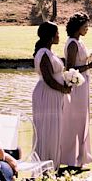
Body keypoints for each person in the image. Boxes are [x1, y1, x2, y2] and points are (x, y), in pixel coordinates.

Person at [61, 12, 92, 172]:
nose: (87, 29)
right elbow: (69, 67)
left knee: (83, 121)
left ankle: (80, 159)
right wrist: (89, 66)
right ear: (77, 28)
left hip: (83, 85)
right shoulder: (72, 44)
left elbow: (80, 63)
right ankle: (72, 160)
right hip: (76, 87)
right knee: (76, 121)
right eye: (85, 27)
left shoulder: (79, 42)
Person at [32, 21, 71, 171]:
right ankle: (46, 166)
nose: (59, 36)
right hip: (47, 94)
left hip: (54, 94)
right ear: (51, 36)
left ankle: (53, 164)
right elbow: (48, 78)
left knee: (54, 128)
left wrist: (67, 82)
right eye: (57, 33)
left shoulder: (49, 52)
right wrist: (63, 89)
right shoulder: (43, 54)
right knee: (47, 128)